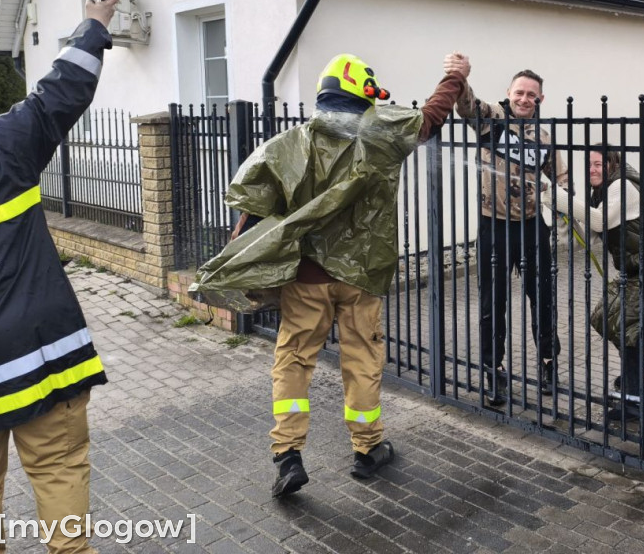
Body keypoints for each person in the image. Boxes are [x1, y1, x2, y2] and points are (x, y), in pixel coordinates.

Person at [191, 52, 468, 497]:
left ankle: (287, 455)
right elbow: (431, 118)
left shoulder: (289, 143)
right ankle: (368, 448)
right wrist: (455, 76)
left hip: (307, 279)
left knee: (294, 360)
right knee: (362, 359)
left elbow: (252, 205)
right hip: (363, 279)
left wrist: (237, 255)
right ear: (367, 93)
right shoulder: (381, 132)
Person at [0, 0, 120, 554]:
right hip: (42, 350)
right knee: (60, 470)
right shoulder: (0, 146)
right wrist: (94, 24)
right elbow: (58, 95)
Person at [449, 55, 567, 405]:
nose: (525, 99)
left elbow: (560, 180)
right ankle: (492, 371)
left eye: (532, 94)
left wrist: (558, 198)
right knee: (492, 304)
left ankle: (548, 364)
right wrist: (460, 77)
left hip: (532, 228)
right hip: (493, 227)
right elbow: (466, 106)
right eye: (520, 92)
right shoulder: (492, 121)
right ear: (509, 93)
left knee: (543, 300)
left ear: (540, 99)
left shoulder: (543, 137)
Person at [546, 146, 644, 423]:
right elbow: (592, 237)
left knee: (623, 326)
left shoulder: (622, 186)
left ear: (612, 165)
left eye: (599, 164)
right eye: (590, 165)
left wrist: (556, 196)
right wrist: (558, 213)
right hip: (636, 268)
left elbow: (598, 219)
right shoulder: (604, 192)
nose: (593, 169)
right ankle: (636, 370)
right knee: (606, 317)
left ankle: (634, 403)